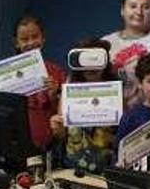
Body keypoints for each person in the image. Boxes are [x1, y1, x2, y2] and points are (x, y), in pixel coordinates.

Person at [49, 39, 117, 173]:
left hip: (106, 168)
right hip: (72, 166)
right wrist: (59, 130)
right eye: (86, 61)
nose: (91, 68)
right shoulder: (69, 89)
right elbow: (63, 133)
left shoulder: (116, 90)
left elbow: (123, 128)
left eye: (95, 60)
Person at [13, 15, 65, 150]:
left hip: (50, 145)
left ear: (43, 38)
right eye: (24, 39)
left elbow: (63, 115)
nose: (30, 43)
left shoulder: (56, 71)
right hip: (17, 143)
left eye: (35, 36)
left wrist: (54, 95)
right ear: (16, 43)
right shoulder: (7, 75)